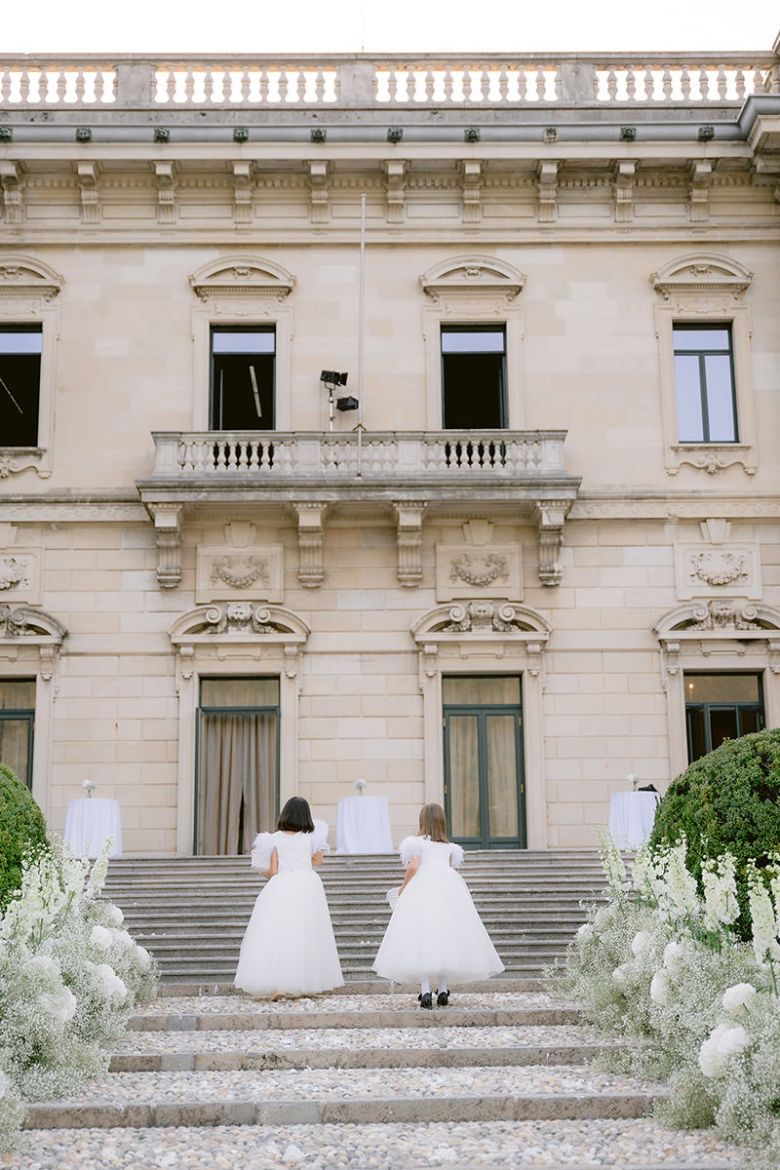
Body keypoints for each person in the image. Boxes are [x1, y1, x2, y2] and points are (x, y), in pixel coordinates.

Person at [372, 802, 504, 1007]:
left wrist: (403, 887)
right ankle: (443, 989)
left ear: (422, 820)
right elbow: (448, 868)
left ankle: (425, 991)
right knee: (446, 936)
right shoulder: (449, 847)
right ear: (442, 822)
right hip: (449, 889)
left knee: (423, 935)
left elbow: (414, 866)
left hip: (423, 888)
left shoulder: (416, 843)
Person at [234, 796, 344, 998]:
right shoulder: (310, 838)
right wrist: (303, 859)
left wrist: (263, 871)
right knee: (306, 934)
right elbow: (319, 859)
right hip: (306, 886)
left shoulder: (274, 839)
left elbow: (273, 871)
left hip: (281, 886)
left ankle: (280, 986)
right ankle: (306, 983)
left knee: (279, 934)